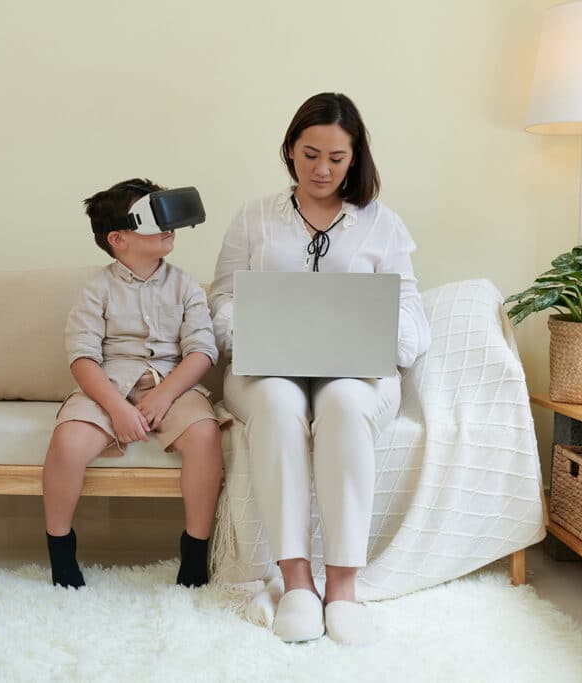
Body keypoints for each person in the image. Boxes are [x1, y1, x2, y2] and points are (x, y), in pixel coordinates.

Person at [209, 93, 431, 644]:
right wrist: (251, 333)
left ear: (355, 157)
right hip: (265, 371)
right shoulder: (253, 216)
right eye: (310, 155)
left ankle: (344, 588)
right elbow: (221, 299)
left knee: (343, 404)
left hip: (357, 375)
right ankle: (297, 584)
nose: (322, 169)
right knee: (281, 404)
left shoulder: (383, 225)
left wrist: (374, 340)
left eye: (336, 157)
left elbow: (412, 317)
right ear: (289, 150)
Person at [43, 178, 227, 590]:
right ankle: (59, 547)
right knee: (68, 443)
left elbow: (202, 350)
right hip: (108, 385)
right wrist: (116, 408)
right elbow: (82, 357)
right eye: (152, 218)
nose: (168, 227)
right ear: (119, 239)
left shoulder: (186, 286)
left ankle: (195, 551)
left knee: (204, 435)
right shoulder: (97, 290)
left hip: (174, 385)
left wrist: (165, 395)